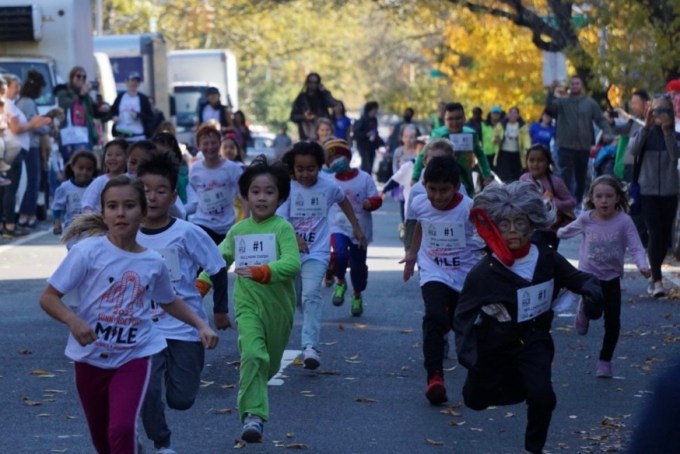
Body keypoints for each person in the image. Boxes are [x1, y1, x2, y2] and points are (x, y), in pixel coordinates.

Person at [39, 175, 219, 454]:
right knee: (103, 439)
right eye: (112, 206)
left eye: (129, 206)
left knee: (121, 428)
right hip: (90, 357)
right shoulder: (87, 252)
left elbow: (169, 301)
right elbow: (49, 297)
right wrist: (73, 321)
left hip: (134, 355)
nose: (120, 213)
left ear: (143, 212)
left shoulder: (153, 261)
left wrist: (200, 325)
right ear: (104, 213)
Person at [454, 181, 603, 454]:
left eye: (519, 223)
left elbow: (578, 278)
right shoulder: (484, 272)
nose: (513, 231)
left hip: (534, 339)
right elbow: (463, 315)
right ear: (494, 228)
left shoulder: (546, 257)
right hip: (494, 344)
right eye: (505, 224)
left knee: (543, 396)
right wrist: (469, 355)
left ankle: (533, 448)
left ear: (532, 224)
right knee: (475, 399)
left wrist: (592, 294)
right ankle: (517, 386)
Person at [196, 156, 300, 443]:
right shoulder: (239, 230)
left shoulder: (282, 228)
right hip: (247, 306)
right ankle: (253, 416)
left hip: (279, 309)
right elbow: (217, 259)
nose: (262, 197)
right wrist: (202, 284)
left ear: (280, 197)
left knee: (269, 363)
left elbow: (292, 264)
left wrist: (263, 271)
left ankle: (255, 395)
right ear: (245, 196)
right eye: (255, 191)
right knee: (253, 355)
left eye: (269, 192)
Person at [135, 151, 230, 453]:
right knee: (148, 392)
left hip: (185, 328)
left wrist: (220, 311)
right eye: (145, 190)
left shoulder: (187, 233)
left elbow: (217, 268)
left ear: (174, 196)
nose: (152, 197)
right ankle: (162, 442)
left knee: (181, 399)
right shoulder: (126, 234)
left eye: (160, 191)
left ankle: (173, 379)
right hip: (143, 331)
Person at [400, 156, 484, 405]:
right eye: (432, 189)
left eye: (444, 190)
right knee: (434, 317)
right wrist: (412, 254)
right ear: (424, 186)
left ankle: (479, 374)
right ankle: (435, 378)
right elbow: (421, 226)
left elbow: (484, 236)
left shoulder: (469, 208)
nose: (437, 196)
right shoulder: (418, 203)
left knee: (463, 325)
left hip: (464, 275)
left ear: (457, 187)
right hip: (433, 270)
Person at [278, 142, 366, 369]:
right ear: (293, 168)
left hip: (316, 252)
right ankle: (304, 310)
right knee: (295, 298)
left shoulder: (329, 186)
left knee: (312, 295)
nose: (305, 174)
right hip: (289, 253)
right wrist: (294, 238)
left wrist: (356, 226)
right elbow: (280, 218)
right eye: (300, 169)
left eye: (311, 169)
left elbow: (343, 200)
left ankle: (310, 347)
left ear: (319, 167)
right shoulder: (287, 187)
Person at [557, 175, 649, 378]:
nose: (604, 200)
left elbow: (636, 246)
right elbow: (566, 231)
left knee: (613, 323)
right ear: (592, 198)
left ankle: (604, 361)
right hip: (589, 277)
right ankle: (584, 309)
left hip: (612, 277)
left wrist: (642, 265)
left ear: (618, 198)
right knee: (594, 311)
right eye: (599, 196)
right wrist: (557, 230)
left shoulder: (624, 221)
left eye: (609, 196)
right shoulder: (586, 218)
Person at [626, 93, 680, 297]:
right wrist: (646, 127)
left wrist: (667, 133)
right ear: (650, 111)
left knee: (664, 237)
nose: (660, 114)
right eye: (657, 110)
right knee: (655, 232)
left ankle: (654, 274)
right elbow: (632, 150)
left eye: (665, 110)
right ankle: (657, 280)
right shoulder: (643, 132)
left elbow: (675, 155)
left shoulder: (675, 135)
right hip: (646, 191)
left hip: (669, 191)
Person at [325, 139, 380, 316]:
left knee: (358, 266)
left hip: (360, 229)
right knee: (339, 254)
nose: (335, 162)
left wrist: (370, 203)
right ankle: (340, 281)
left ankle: (357, 294)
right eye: (331, 159)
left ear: (348, 157)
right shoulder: (328, 181)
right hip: (337, 226)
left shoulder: (364, 178)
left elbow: (376, 198)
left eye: (338, 157)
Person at [546, 76, 611, 205]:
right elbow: (549, 108)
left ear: (581, 86)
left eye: (577, 83)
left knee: (581, 176)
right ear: (569, 86)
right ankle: (566, 201)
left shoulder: (590, 103)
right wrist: (551, 91)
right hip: (565, 145)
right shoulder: (562, 102)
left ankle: (578, 202)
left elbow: (600, 118)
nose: (575, 86)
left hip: (583, 146)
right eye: (572, 84)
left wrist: (606, 131)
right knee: (566, 175)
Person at [1, 74, 51, 238]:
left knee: (8, 189)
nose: (18, 90)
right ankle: (9, 226)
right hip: (12, 150)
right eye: (15, 86)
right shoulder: (7, 105)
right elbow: (15, 128)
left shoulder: (10, 104)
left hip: (13, 150)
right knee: (10, 188)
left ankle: (6, 224)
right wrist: (33, 124)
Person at [414, 102, 493, 195]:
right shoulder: (438, 135)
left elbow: (480, 154)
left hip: (466, 184)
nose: (454, 122)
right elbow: (423, 155)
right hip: (442, 184)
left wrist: (487, 175)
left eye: (458, 118)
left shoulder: (470, 134)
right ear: (444, 120)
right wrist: (414, 177)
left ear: (464, 118)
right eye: (450, 119)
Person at [185, 125, 244, 244]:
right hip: (203, 224)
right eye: (205, 144)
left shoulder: (233, 169)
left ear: (219, 143)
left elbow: (244, 197)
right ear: (198, 146)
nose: (210, 147)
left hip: (227, 226)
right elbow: (194, 199)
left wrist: (245, 222)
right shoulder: (195, 170)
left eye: (213, 143)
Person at [519, 143, 576, 249]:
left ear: (547, 162)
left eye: (540, 160)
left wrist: (553, 201)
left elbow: (571, 203)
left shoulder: (556, 182)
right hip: (529, 229)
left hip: (550, 231)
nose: (535, 164)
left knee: (547, 256)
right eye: (531, 160)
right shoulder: (523, 179)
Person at [16, 69, 53, 228]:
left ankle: (26, 214)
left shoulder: (21, 101)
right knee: (33, 181)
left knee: (30, 181)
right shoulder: (29, 103)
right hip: (31, 146)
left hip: (26, 145)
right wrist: (48, 127)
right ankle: (28, 215)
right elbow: (35, 125)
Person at [55, 66, 110, 160]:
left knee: (85, 160)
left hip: (85, 135)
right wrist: (81, 95)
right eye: (78, 76)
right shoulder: (63, 92)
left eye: (84, 77)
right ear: (71, 78)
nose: (81, 79)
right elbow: (68, 105)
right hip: (70, 136)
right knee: (72, 162)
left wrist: (102, 109)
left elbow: (91, 112)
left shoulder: (86, 96)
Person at [52, 151, 98, 239]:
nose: (84, 172)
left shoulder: (96, 186)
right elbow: (57, 206)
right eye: (81, 168)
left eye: (89, 169)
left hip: (92, 231)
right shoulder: (65, 187)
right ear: (73, 167)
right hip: (72, 232)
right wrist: (57, 223)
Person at [80, 139, 129, 213]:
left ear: (127, 157)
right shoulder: (100, 181)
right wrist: (93, 218)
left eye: (117, 155)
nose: (113, 158)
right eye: (109, 155)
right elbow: (87, 204)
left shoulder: (132, 179)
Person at [290, 72, 337, 140]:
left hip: (323, 133)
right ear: (307, 83)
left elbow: (333, 104)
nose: (313, 85)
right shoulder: (301, 98)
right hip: (307, 133)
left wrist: (324, 91)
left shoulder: (322, 96)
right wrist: (304, 117)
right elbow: (293, 116)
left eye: (315, 82)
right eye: (310, 82)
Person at [110, 72, 154, 141]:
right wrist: (114, 117)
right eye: (132, 81)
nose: (134, 83)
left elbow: (150, 117)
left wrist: (138, 115)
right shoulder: (120, 97)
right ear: (127, 82)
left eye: (137, 81)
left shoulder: (143, 98)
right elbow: (112, 111)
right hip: (121, 136)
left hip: (138, 136)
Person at [494, 106, 531, 183]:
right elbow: (495, 136)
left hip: (517, 153)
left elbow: (526, 139)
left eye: (515, 113)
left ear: (518, 115)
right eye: (511, 113)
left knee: (515, 175)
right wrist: (497, 139)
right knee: (504, 175)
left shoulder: (522, 126)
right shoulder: (501, 124)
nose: (513, 115)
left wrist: (528, 148)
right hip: (503, 153)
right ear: (508, 114)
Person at [353, 101, 384, 174]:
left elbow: (375, 133)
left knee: (370, 165)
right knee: (366, 165)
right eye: (374, 110)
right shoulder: (362, 120)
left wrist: (381, 142)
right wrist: (366, 134)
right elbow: (356, 133)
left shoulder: (374, 120)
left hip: (372, 146)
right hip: (363, 146)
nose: (375, 112)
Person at [481, 105, 504, 172]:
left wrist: (500, 140)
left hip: (498, 154)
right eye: (494, 113)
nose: (495, 115)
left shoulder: (502, 125)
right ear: (490, 114)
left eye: (497, 113)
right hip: (486, 153)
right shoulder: (483, 124)